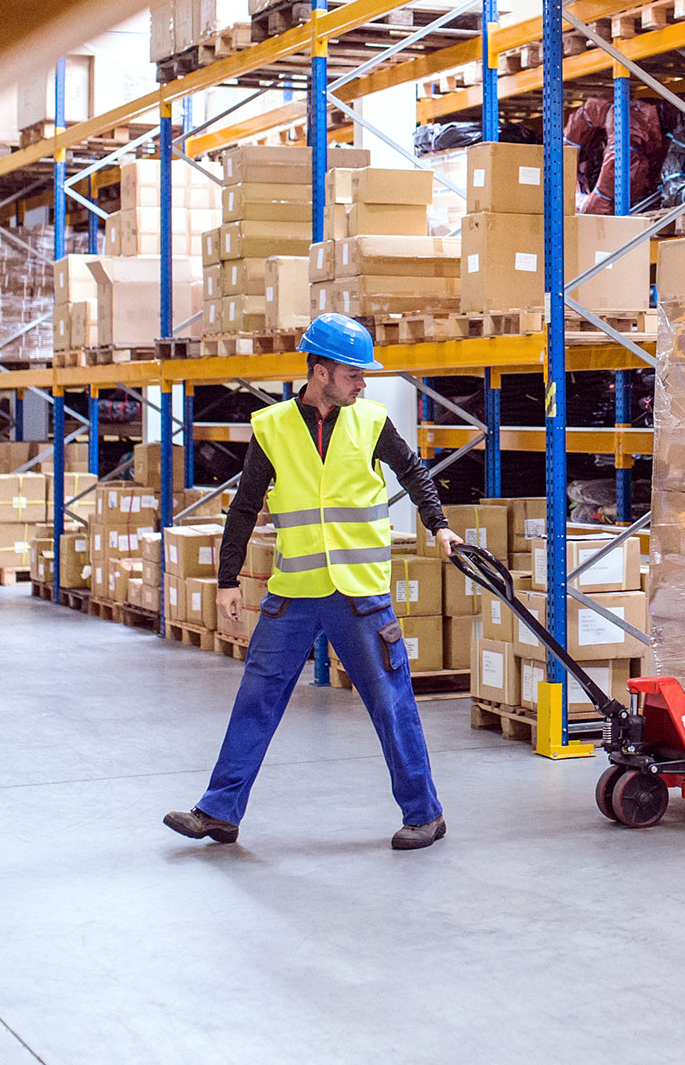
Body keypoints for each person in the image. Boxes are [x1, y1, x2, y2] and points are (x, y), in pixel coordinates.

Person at [164, 313, 463, 850]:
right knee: (255, 698)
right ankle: (219, 811)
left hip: (359, 594)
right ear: (321, 372)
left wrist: (439, 526)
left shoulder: (372, 422)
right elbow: (245, 506)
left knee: (391, 702)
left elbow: (415, 473)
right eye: (354, 374)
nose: (363, 383)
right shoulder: (273, 427)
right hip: (295, 594)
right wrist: (226, 579)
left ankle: (425, 813)